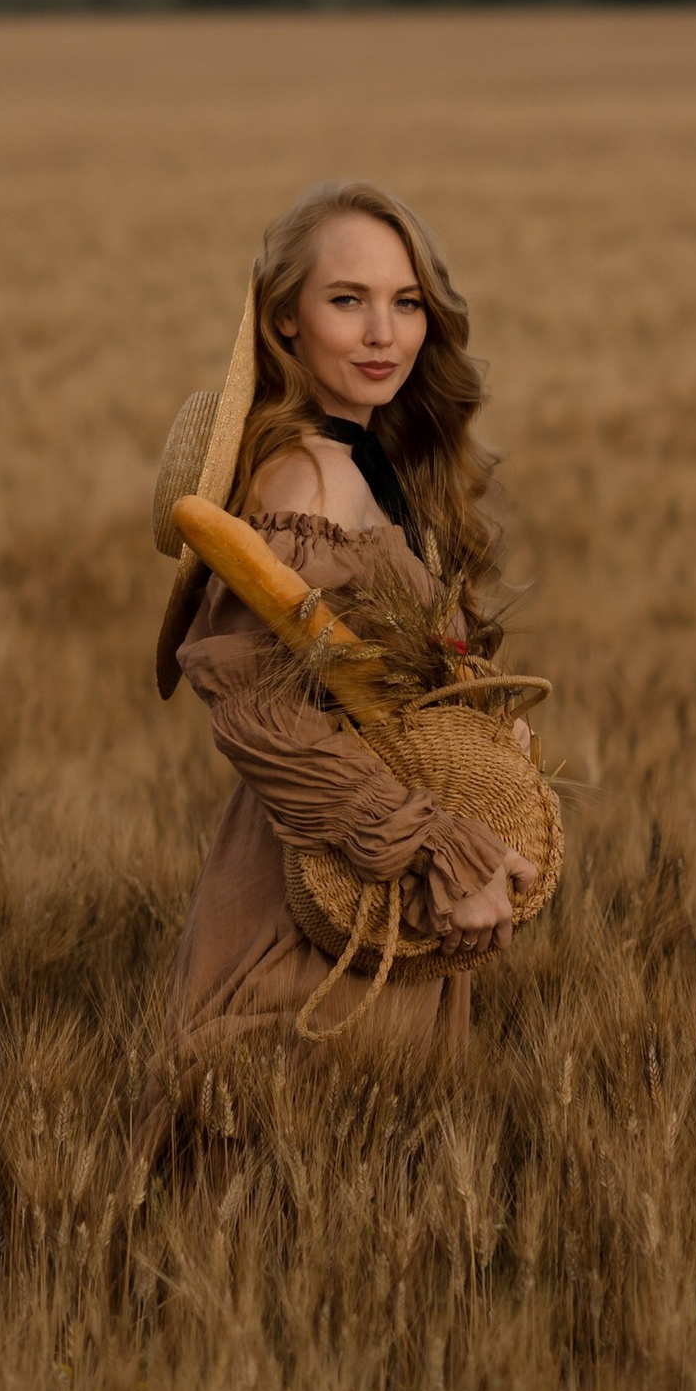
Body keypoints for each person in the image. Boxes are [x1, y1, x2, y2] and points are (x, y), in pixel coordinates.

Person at [153, 180, 538, 1059]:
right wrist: (441, 846)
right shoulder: (305, 482)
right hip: (317, 905)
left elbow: (368, 688)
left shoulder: (358, 463)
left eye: (406, 304)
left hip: (365, 882)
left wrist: (477, 740)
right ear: (285, 319)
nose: (383, 334)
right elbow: (264, 721)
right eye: (347, 301)